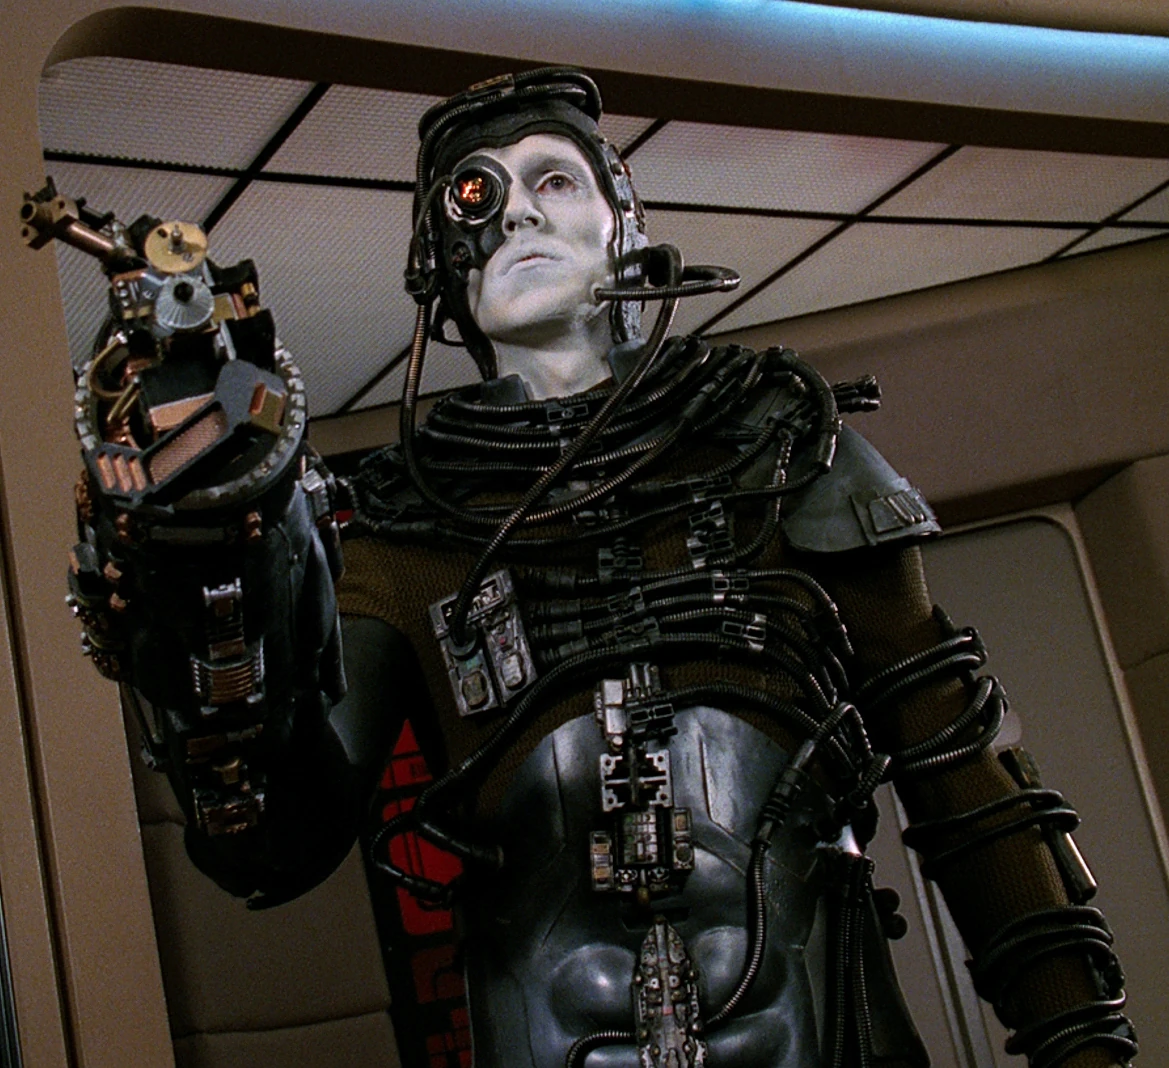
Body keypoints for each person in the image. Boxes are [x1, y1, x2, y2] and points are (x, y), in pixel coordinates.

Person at [32, 67, 1136, 1068]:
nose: (515, 212)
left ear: (623, 225)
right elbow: (276, 841)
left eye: (553, 180)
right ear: (441, 270)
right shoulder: (402, 533)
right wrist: (216, 617)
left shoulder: (779, 443)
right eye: (474, 198)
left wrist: (1079, 1041)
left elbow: (962, 773)